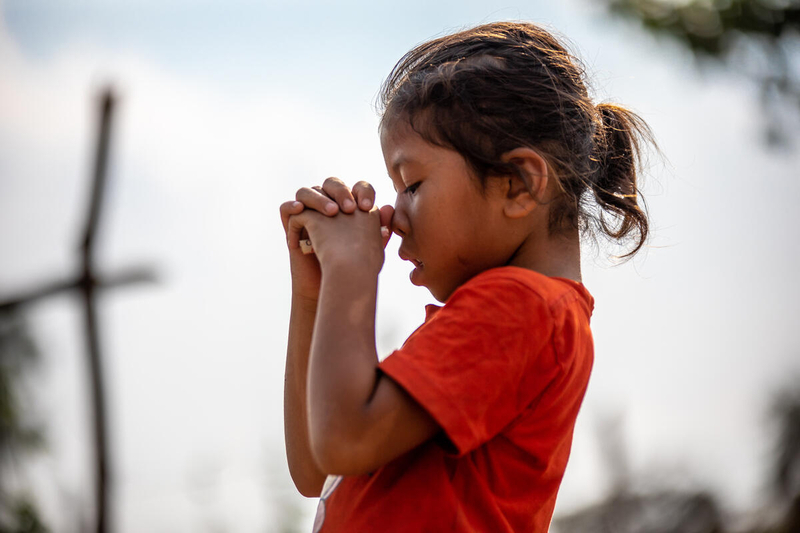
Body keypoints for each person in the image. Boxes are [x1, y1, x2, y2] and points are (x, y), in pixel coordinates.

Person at [279, 21, 654, 532]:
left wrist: (352, 269)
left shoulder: (523, 307)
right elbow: (317, 467)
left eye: (411, 184)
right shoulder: (511, 312)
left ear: (518, 185)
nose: (394, 213)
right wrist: (316, 291)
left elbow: (343, 439)